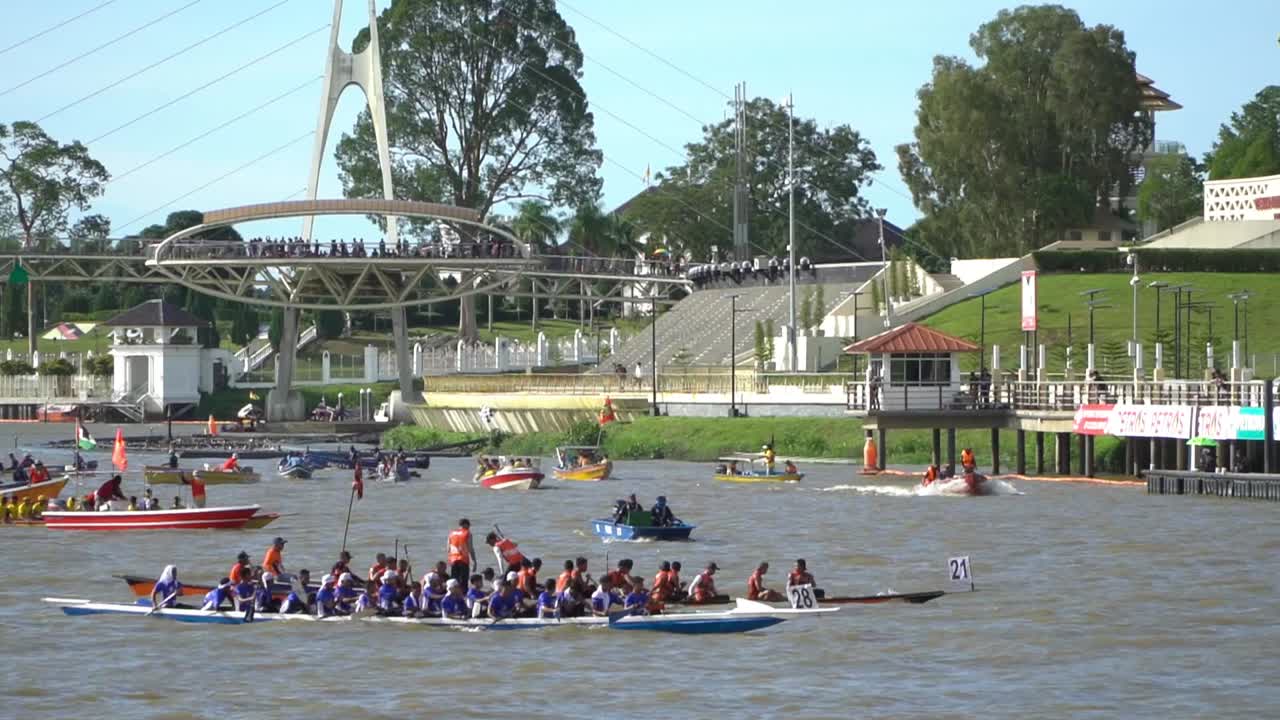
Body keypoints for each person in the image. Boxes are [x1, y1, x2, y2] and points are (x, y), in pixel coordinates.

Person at [446, 519, 476, 585]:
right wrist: (474, 561)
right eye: (468, 526)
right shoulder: (467, 533)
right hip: (463, 560)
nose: (469, 528)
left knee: (454, 581)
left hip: (453, 560)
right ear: (465, 524)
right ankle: (463, 594)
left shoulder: (451, 533)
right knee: (463, 582)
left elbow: (448, 548)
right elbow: (470, 548)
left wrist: (450, 560)